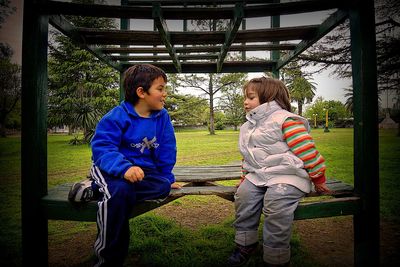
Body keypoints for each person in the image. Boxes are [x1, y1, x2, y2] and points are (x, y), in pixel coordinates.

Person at [68, 64, 181, 267]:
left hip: (142, 172)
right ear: (141, 92)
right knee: (118, 194)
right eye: (161, 88)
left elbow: (166, 149)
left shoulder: (162, 117)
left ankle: (94, 189)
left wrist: (167, 177)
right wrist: (124, 168)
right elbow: (102, 148)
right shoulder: (116, 117)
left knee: (162, 187)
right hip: (111, 169)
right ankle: (108, 260)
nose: (165, 93)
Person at [227, 77, 331, 267]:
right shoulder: (247, 127)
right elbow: (248, 155)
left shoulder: (286, 120)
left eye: (250, 97)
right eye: (245, 97)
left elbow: (307, 151)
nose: (245, 102)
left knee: (276, 202)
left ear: (269, 98)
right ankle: (245, 243)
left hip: (288, 174)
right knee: (244, 195)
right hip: (259, 175)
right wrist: (245, 178)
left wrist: (318, 177)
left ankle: (276, 257)